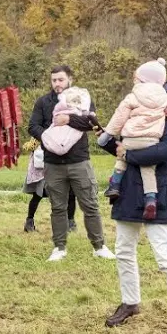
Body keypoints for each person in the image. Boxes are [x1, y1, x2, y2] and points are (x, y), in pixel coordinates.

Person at [99, 94, 167, 334]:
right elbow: (119, 145)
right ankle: (130, 303)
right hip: (128, 190)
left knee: (165, 256)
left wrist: (128, 155)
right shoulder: (132, 109)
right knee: (123, 250)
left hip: (158, 193)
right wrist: (104, 136)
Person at [29, 65, 113, 262]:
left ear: (70, 80)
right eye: (54, 80)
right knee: (58, 207)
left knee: (90, 205)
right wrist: (49, 138)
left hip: (79, 161)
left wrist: (68, 119)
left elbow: (92, 123)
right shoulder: (43, 102)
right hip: (52, 163)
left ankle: (99, 246)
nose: (57, 84)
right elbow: (33, 126)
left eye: (61, 80)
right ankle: (59, 247)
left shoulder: (81, 98)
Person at [102, 60, 167, 221]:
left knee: (120, 162)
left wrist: (108, 134)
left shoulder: (132, 97)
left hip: (132, 146)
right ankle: (150, 198)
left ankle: (114, 184)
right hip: (150, 142)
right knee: (147, 171)